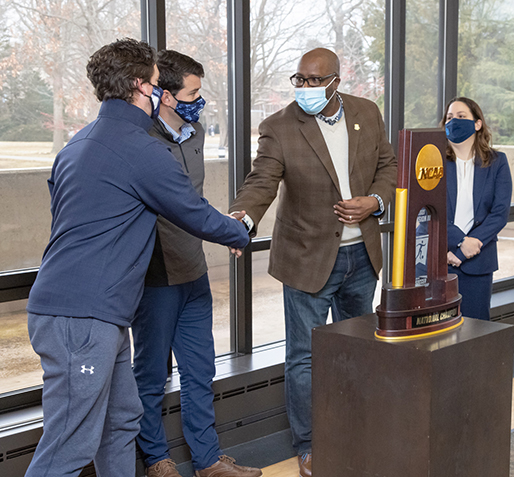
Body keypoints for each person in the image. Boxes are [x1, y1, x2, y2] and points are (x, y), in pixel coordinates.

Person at [24, 38, 250, 477]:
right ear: (139, 87)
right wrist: (237, 230)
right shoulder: (140, 148)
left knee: (122, 419)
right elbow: (191, 210)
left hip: (88, 314)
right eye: (152, 82)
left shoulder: (78, 144)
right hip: (82, 319)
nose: (157, 91)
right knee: (69, 446)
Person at [228, 48, 396, 477]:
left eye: (314, 80)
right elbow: (261, 180)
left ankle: (356, 430)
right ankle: (309, 445)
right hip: (307, 258)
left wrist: (374, 202)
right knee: (304, 357)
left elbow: (388, 167)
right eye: (299, 79)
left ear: (336, 81)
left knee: (360, 349)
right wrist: (241, 219)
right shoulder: (279, 126)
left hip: (362, 255)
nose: (304, 88)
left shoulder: (367, 112)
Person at [130, 51, 261, 477]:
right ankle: (157, 460)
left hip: (194, 271)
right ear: (165, 95)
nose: (199, 101)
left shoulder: (197, 131)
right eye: (193, 93)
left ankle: (207, 461)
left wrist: (227, 228)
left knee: (199, 371)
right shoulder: (142, 140)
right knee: (149, 376)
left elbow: (194, 202)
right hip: (155, 277)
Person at [440, 97, 512, 321]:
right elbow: (428, 210)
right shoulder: (433, 161)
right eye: (450, 118)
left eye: (462, 117)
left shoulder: (497, 161)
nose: (454, 122)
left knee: (475, 332)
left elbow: (499, 213)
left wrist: (468, 248)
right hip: (440, 259)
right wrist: (460, 242)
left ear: (477, 123)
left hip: (478, 262)